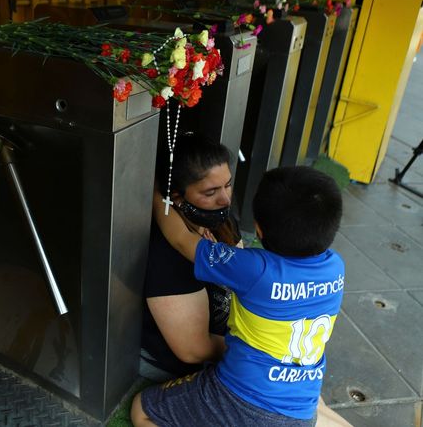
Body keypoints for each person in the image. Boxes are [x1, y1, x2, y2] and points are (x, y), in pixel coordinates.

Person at [132, 166, 345, 427]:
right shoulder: (336, 268)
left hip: (239, 402)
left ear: (258, 229)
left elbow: (180, 239)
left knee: (143, 409)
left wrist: (157, 193)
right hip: (301, 410)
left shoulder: (253, 269)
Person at [140, 132, 241, 382]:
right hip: (207, 361)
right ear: (176, 197)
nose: (225, 199)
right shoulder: (165, 253)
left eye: (227, 185)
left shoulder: (220, 220)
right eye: (210, 192)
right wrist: (255, 351)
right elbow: (193, 351)